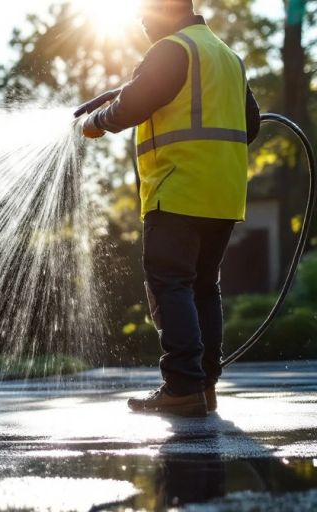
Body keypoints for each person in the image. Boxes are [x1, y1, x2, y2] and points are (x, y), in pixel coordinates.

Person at [80, 0, 261, 417]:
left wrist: (96, 122)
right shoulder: (226, 56)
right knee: (202, 287)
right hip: (223, 194)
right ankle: (203, 386)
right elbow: (250, 125)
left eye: (146, 13)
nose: (142, 22)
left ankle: (181, 385)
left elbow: (131, 108)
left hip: (178, 187)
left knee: (170, 283)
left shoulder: (171, 49)